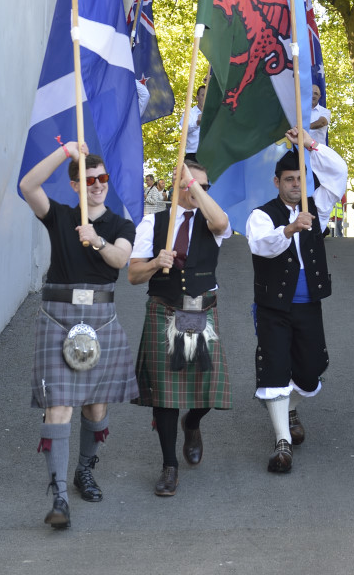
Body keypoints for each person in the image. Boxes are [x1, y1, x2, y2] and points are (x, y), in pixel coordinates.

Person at [18, 141, 138, 530]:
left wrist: (97, 239)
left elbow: (121, 260)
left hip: (101, 318)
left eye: (102, 179)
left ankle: (85, 470)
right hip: (58, 317)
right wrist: (66, 152)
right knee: (59, 407)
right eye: (88, 180)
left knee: (96, 409)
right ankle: (58, 495)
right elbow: (27, 186)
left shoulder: (121, 225)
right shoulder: (59, 216)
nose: (97, 185)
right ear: (75, 186)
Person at [127, 162, 232, 497]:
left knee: (209, 390)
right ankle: (169, 464)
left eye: (204, 186)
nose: (199, 190)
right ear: (175, 186)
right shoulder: (152, 222)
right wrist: (156, 263)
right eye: (189, 184)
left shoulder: (211, 219)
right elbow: (133, 275)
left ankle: (194, 422)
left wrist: (194, 185)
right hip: (164, 310)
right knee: (166, 394)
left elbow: (221, 223)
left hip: (202, 312)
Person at [246, 127, 348, 473]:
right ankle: (282, 441)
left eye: (300, 179)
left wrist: (311, 145)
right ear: (277, 182)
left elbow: (340, 174)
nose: (295, 185)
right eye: (289, 179)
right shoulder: (262, 215)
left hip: (308, 304)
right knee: (274, 370)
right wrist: (289, 229)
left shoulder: (317, 205)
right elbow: (261, 245)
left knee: (309, 371)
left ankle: (289, 407)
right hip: (274, 306)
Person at [183, 84, 205, 162]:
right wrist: (197, 123)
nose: (205, 98)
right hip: (192, 156)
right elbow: (184, 130)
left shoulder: (214, 113)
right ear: (197, 98)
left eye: (207, 95)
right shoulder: (189, 113)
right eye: (203, 95)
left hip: (210, 157)